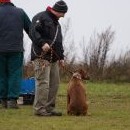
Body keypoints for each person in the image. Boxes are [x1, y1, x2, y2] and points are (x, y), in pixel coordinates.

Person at [30, 0, 68, 116]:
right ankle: (39, 109)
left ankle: (49, 108)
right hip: (41, 56)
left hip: (54, 59)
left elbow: (59, 42)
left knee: (54, 83)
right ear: (59, 11)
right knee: (43, 83)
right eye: (63, 13)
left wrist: (61, 57)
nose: (63, 16)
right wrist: (42, 43)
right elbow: (33, 31)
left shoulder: (57, 24)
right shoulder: (40, 17)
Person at [0, 0, 31, 108]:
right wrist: (39, 43)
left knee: (1, 75)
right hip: (16, 49)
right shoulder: (20, 12)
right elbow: (30, 29)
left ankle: (2, 101)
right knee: (14, 74)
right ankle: (12, 101)